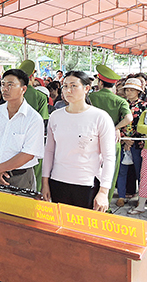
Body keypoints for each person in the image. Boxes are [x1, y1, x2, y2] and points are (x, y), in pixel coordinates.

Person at [41, 71, 115, 211]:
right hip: (58, 181)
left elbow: (109, 157)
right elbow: (49, 151)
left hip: (87, 184)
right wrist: (45, 182)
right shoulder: (56, 116)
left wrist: (104, 192)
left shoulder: (100, 117)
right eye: (65, 86)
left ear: (86, 88)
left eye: (74, 86)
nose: (68, 90)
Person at [0, 69, 44, 191]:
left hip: (21, 177)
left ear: (23, 89)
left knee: (20, 210)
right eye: (3, 84)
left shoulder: (33, 118)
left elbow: (28, 154)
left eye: (10, 85)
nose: (4, 89)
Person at [88, 65, 133, 207]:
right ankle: (104, 204)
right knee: (109, 172)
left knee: (89, 171)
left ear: (100, 82)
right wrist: (115, 128)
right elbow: (129, 118)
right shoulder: (120, 101)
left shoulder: (90, 97)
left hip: (91, 139)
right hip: (112, 141)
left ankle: (89, 202)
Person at [115, 78, 147, 207]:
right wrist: (124, 138)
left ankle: (142, 197)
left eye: (131, 90)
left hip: (138, 142)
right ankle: (121, 196)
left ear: (138, 92)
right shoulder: (122, 104)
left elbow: (143, 125)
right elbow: (118, 122)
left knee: (140, 171)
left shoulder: (144, 106)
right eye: (127, 90)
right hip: (122, 141)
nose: (128, 92)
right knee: (121, 170)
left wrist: (133, 139)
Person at [19, 60, 49, 192]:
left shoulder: (15, 93)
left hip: (15, 139)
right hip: (34, 140)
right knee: (35, 170)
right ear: (33, 76)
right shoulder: (40, 96)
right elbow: (43, 121)